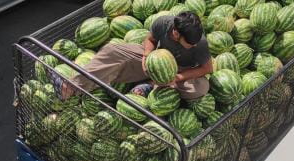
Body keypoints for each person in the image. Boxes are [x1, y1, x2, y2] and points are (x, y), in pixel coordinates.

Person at [65, 11, 213, 101]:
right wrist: (146, 56)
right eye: (189, 43)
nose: (193, 45)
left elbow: (207, 68)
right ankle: (72, 86)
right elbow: (150, 39)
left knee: (201, 88)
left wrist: (178, 78)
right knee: (112, 50)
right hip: (155, 59)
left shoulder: (199, 43)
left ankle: (151, 86)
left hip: (181, 71)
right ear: (176, 33)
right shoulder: (163, 23)